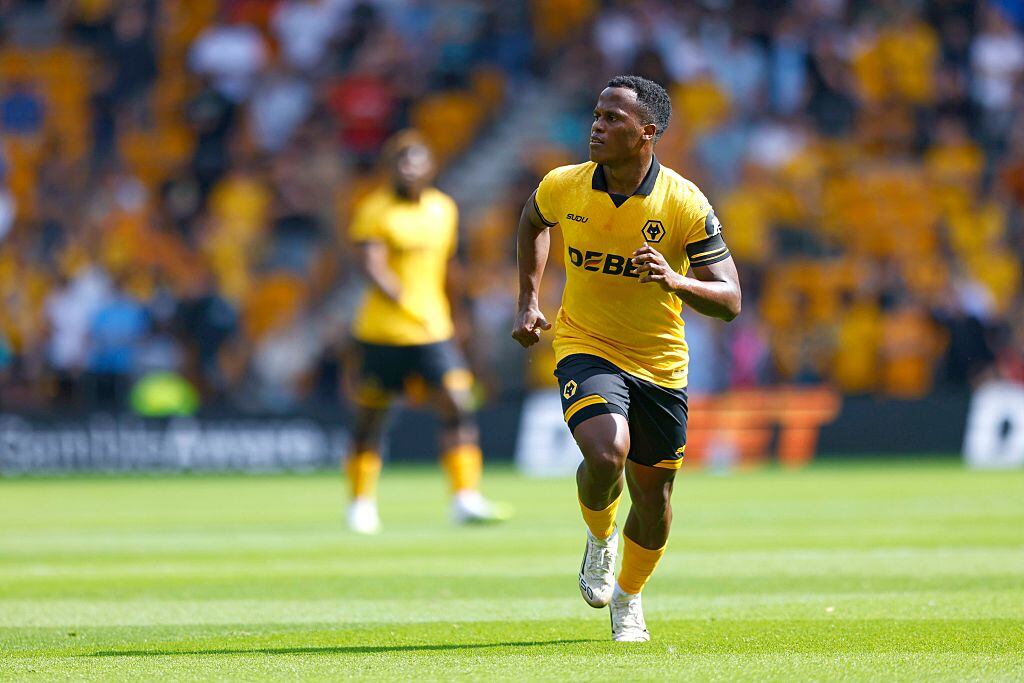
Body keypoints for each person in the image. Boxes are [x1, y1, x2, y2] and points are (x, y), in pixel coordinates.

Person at [512, 76, 742, 641]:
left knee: (655, 497)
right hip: (585, 344)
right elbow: (533, 221)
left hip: (660, 363)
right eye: (597, 114)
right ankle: (599, 539)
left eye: (614, 118)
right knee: (608, 451)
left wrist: (672, 278)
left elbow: (731, 299)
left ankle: (630, 597)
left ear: (648, 132)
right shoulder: (564, 185)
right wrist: (529, 299)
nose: (598, 125)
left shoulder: (684, 202)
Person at [345, 130, 506, 534]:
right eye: (402, 163)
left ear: (429, 167)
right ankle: (361, 503)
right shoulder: (375, 209)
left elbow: (448, 267)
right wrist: (400, 296)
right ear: (391, 169)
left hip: (433, 329)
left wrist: (458, 312)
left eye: (417, 162)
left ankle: (464, 498)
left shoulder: (443, 210)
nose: (410, 169)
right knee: (372, 417)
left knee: (457, 400)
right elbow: (371, 265)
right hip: (383, 332)